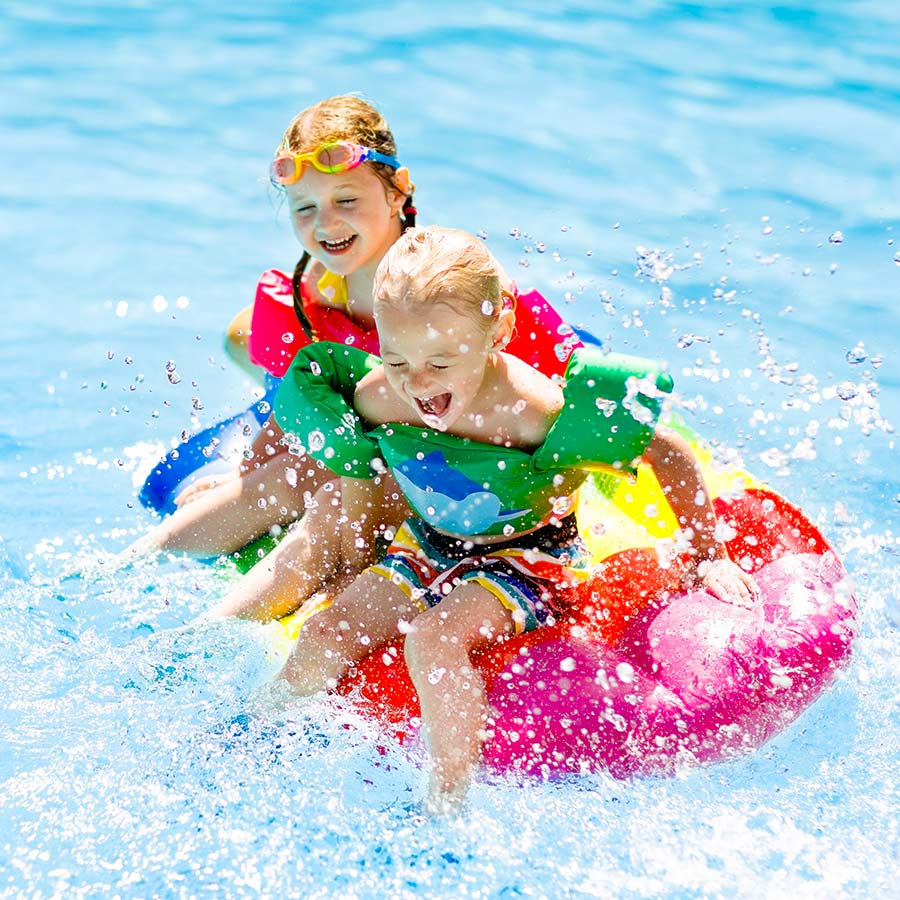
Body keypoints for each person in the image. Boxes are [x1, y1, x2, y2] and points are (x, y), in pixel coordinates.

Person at [271, 226, 758, 812]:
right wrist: (354, 556)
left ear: (497, 332)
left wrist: (707, 556)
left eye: (440, 361)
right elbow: (366, 468)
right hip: (425, 542)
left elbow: (668, 454)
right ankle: (257, 744)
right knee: (327, 631)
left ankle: (445, 802)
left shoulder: (532, 410)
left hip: (527, 555)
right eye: (396, 357)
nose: (417, 383)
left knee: (433, 641)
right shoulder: (380, 395)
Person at [124, 95, 584, 624]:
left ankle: (218, 630)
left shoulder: (453, 291)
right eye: (305, 208)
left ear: (398, 190)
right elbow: (299, 405)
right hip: (367, 445)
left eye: (346, 200)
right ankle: (131, 567)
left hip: (445, 467)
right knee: (291, 464)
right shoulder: (310, 298)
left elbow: (576, 379)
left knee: (325, 496)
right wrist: (243, 473)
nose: (326, 223)